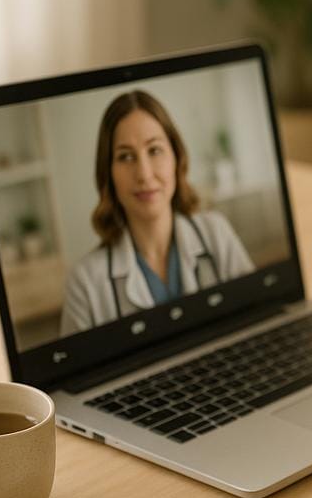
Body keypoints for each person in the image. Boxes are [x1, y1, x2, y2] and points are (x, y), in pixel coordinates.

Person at [61, 90, 253, 336]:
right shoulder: (85, 283)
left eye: (154, 151)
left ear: (177, 157)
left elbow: (259, 316)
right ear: (108, 174)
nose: (144, 174)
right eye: (125, 156)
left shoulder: (216, 232)